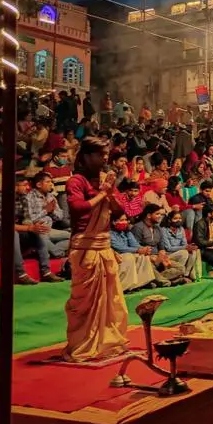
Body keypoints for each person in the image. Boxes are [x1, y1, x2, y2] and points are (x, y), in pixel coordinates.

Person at [63, 136, 129, 363]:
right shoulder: (76, 182)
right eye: (100, 155)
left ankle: (107, 343)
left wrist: (110, 195)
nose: (105, 159)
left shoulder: (106, 180)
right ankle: (83, 345)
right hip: (85, 249)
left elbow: (121, 212)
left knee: (112, 302)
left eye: (106, 154)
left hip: (105, 247)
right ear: (87, 156)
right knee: (84, 305)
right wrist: (102, 193)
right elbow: (78, 208)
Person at [131, 204, 191, 283]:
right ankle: (167, 281)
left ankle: (157, 280)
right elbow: (135, 246)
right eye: (157, 214)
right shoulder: (138, 227)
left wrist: (162, 255)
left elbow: (161, 246)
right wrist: (150, 256)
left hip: (158, 258)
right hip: (146, 259)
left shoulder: (158, 228)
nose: (160, 216)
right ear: (149, 215)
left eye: (161, 214)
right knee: (150, 267)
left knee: (181, 268)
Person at [109, 213, 162, 291]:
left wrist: (144, 249)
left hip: (128, 253)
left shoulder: (127, 232)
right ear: (114, 222)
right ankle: (125, 286)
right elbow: (120, 248)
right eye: (122, 220)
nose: (125, 222)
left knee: (143, 257)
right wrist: (138, 250)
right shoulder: (110, 233)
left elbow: (135, 244)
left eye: (126, 220)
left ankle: (140, 284)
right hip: (117, 256)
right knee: (129, 256)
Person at [25, 171, 71, 258]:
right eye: (48, 182)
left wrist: (52, 211)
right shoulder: (29, 197)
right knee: (44, 241)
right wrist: (45, 211)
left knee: (74, 237)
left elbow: (60, 216)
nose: (51, 184)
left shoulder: (50, 196)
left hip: (49, 230)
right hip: (37, 231)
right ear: (39, 185)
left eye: (51, 182)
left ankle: (50, 251)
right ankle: (58, 253)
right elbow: (30, 219)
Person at [160, 210, 201, 280]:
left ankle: (186, 274)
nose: (178, 220)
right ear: (170, 220)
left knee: (193, 251)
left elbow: (184, 243)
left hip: (180, 251)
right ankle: (178, 274)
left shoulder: (181, 229)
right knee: (184, 252)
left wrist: (189, 247)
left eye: (180, 218)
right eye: (175, 218)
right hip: (169, 254)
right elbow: (168, 248)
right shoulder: (164, 230)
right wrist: (185, 247)